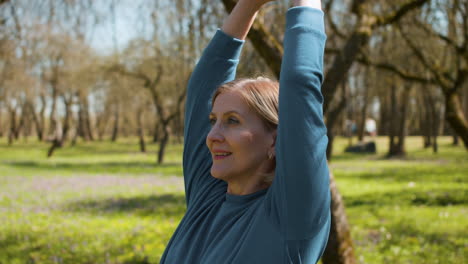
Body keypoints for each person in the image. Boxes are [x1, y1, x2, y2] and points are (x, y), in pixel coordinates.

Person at [160, 0, 330, 263]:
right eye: (213, 119)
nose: (212, 136)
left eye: (232, 121)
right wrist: (248, 5)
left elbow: (301, 82)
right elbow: (203, 85)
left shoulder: (292, 217)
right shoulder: (208, 196)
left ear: (275, 140)